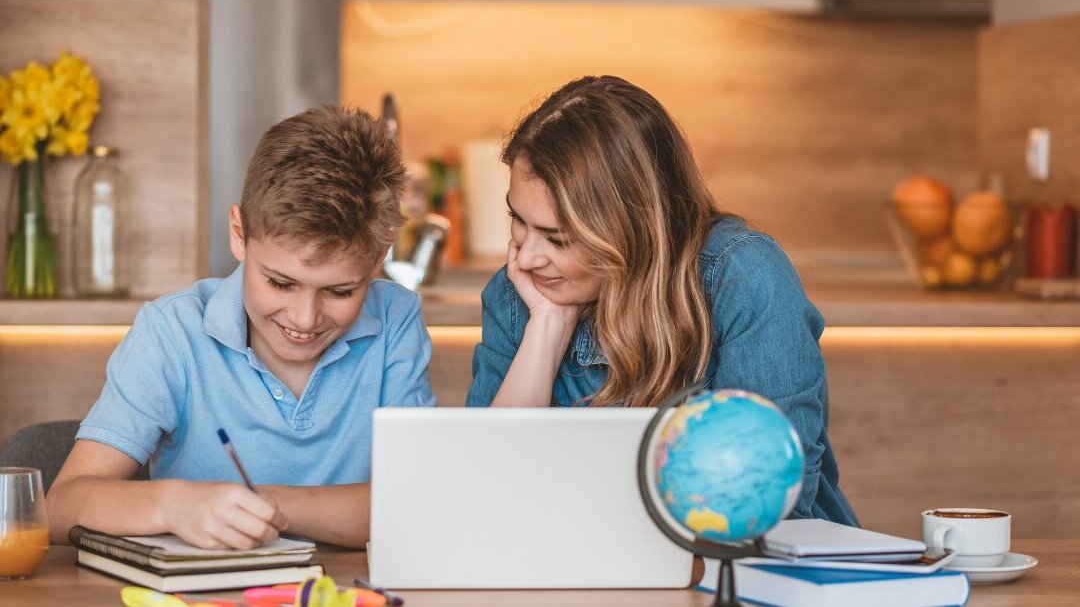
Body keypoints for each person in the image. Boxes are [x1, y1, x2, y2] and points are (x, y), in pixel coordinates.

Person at [466, 75, 857, 525]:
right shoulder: (519, 293)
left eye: (559, 238)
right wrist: (548, 328)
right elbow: (483, 491)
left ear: (633, 227)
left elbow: (775, 500)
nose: (529, 257)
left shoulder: (745, 276)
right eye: (519, 219)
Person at [48, 106, 436, 549]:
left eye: (341, 291)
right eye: (279, 282)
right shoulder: (173, 331)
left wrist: (255, 502)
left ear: (379, 257)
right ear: (239, 232)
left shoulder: (396, 321)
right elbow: (61, 508)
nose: (304, 319)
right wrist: (172, 504)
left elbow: (416, 506)